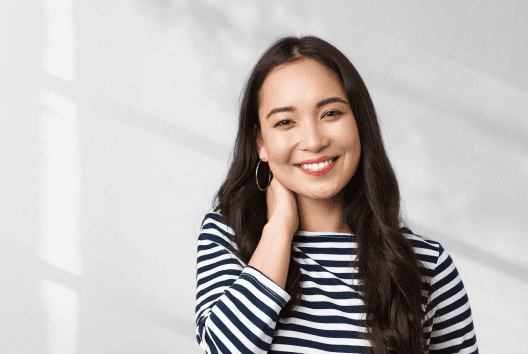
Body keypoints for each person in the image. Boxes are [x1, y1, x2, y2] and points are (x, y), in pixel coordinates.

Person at [195, 36, 478, 354]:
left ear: (359, 123)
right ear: (261, 143)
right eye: (285, 122)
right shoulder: (229, 236)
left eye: (330, 114)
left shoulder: (427, 266)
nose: (313, 141)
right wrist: (279, 228)